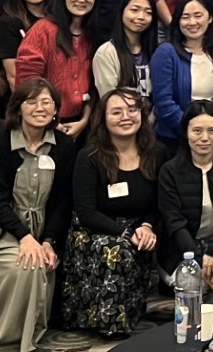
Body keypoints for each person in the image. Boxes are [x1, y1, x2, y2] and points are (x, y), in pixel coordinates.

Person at [0, 79, 73, 352]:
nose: (40, 108)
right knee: (26, 265)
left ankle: (30, 333)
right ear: (18, 108)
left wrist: (49, 241)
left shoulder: (65, 145)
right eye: (31, 101)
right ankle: (5, 336)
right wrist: (24, 237)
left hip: (46, 228)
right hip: (4, 232)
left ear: (56, 109)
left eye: (47, 102)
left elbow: (63, 201)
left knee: (42, 260)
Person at [60, 90, 161, 337]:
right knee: (115, 250)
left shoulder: (156, 153)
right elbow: (86, 212)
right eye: (116, 112)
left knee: (128, 247)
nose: (126, 117)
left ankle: (125, 314)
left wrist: (147, 226)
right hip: (92, 231)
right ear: (103, 118)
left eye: (132, 110)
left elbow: (158, 203)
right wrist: (125, 233)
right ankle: (109, 323)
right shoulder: (89, 157)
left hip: (137, 229)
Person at [156, 101, 213, 296]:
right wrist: (199, 258)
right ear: (185, 132)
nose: (205, 138)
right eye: (197, 131)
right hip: (182, 251)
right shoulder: (169, 171)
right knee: (193, 293)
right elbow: (175, 223)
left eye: (212, 130)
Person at [15, 0, 98, 135]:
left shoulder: (93, 35)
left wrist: (84, 121)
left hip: (82, 125)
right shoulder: (43, 30)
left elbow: (93, 87)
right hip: (42, 124)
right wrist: (51, 123)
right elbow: (27, 83)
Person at [151, 0, 213, 156]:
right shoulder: (166, 52)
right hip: (174, 141)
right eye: (185, 17)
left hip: (211, 140)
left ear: (209, 18)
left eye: (198, 15)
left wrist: (209, 132)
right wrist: (193, 130)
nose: (192, 22)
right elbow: (164, 103)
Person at [92, 0, 157, 98]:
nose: (141, 16)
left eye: (148, 12)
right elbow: (109, 98)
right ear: (122, 11)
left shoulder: (155, 51)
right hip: (122, 113)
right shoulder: (106, 53)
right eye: (135, 10)